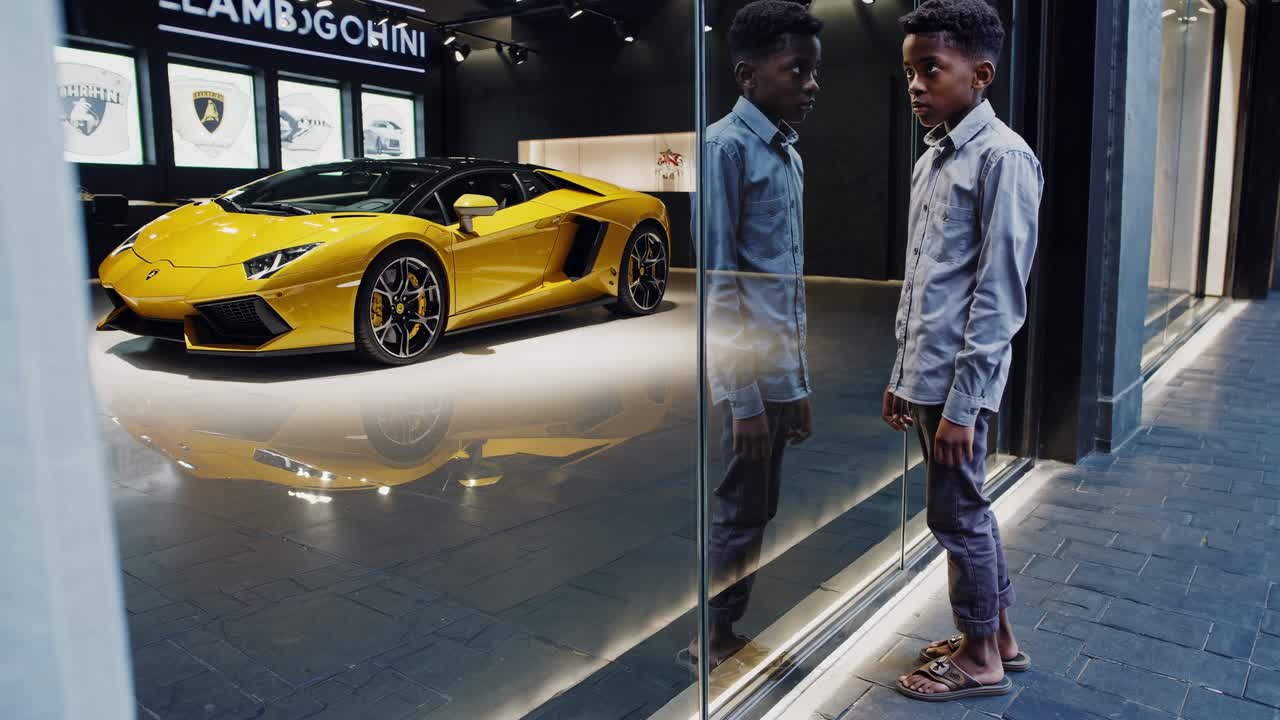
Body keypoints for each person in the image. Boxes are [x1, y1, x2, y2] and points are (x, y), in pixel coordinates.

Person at [881, 0, 1043, 703]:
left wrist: (962, 405)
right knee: (966, 507)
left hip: (958, 387)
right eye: (910, 72)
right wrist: (902, 377)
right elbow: (924, 283)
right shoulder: (935, 158)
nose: (915, 86)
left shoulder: (1003, 158)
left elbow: (998, 296)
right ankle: (997, 636)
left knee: (957, 515)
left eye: (930, 70)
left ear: (980, 75)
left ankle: (981, 658)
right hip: (929, 378)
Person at [677, 0, 821, 676]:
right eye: (799, 70)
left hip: (779, 373)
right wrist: (745, 398)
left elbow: (784, 286)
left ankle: (727, 628)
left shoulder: (786, 155)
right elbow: (720, 286)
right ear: (747, 76)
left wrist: (798, 386)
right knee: (738, 509)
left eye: (812, 72)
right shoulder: (723, 148)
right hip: (745, 381)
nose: (811, 84)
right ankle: (713, 638)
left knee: (760, 507)